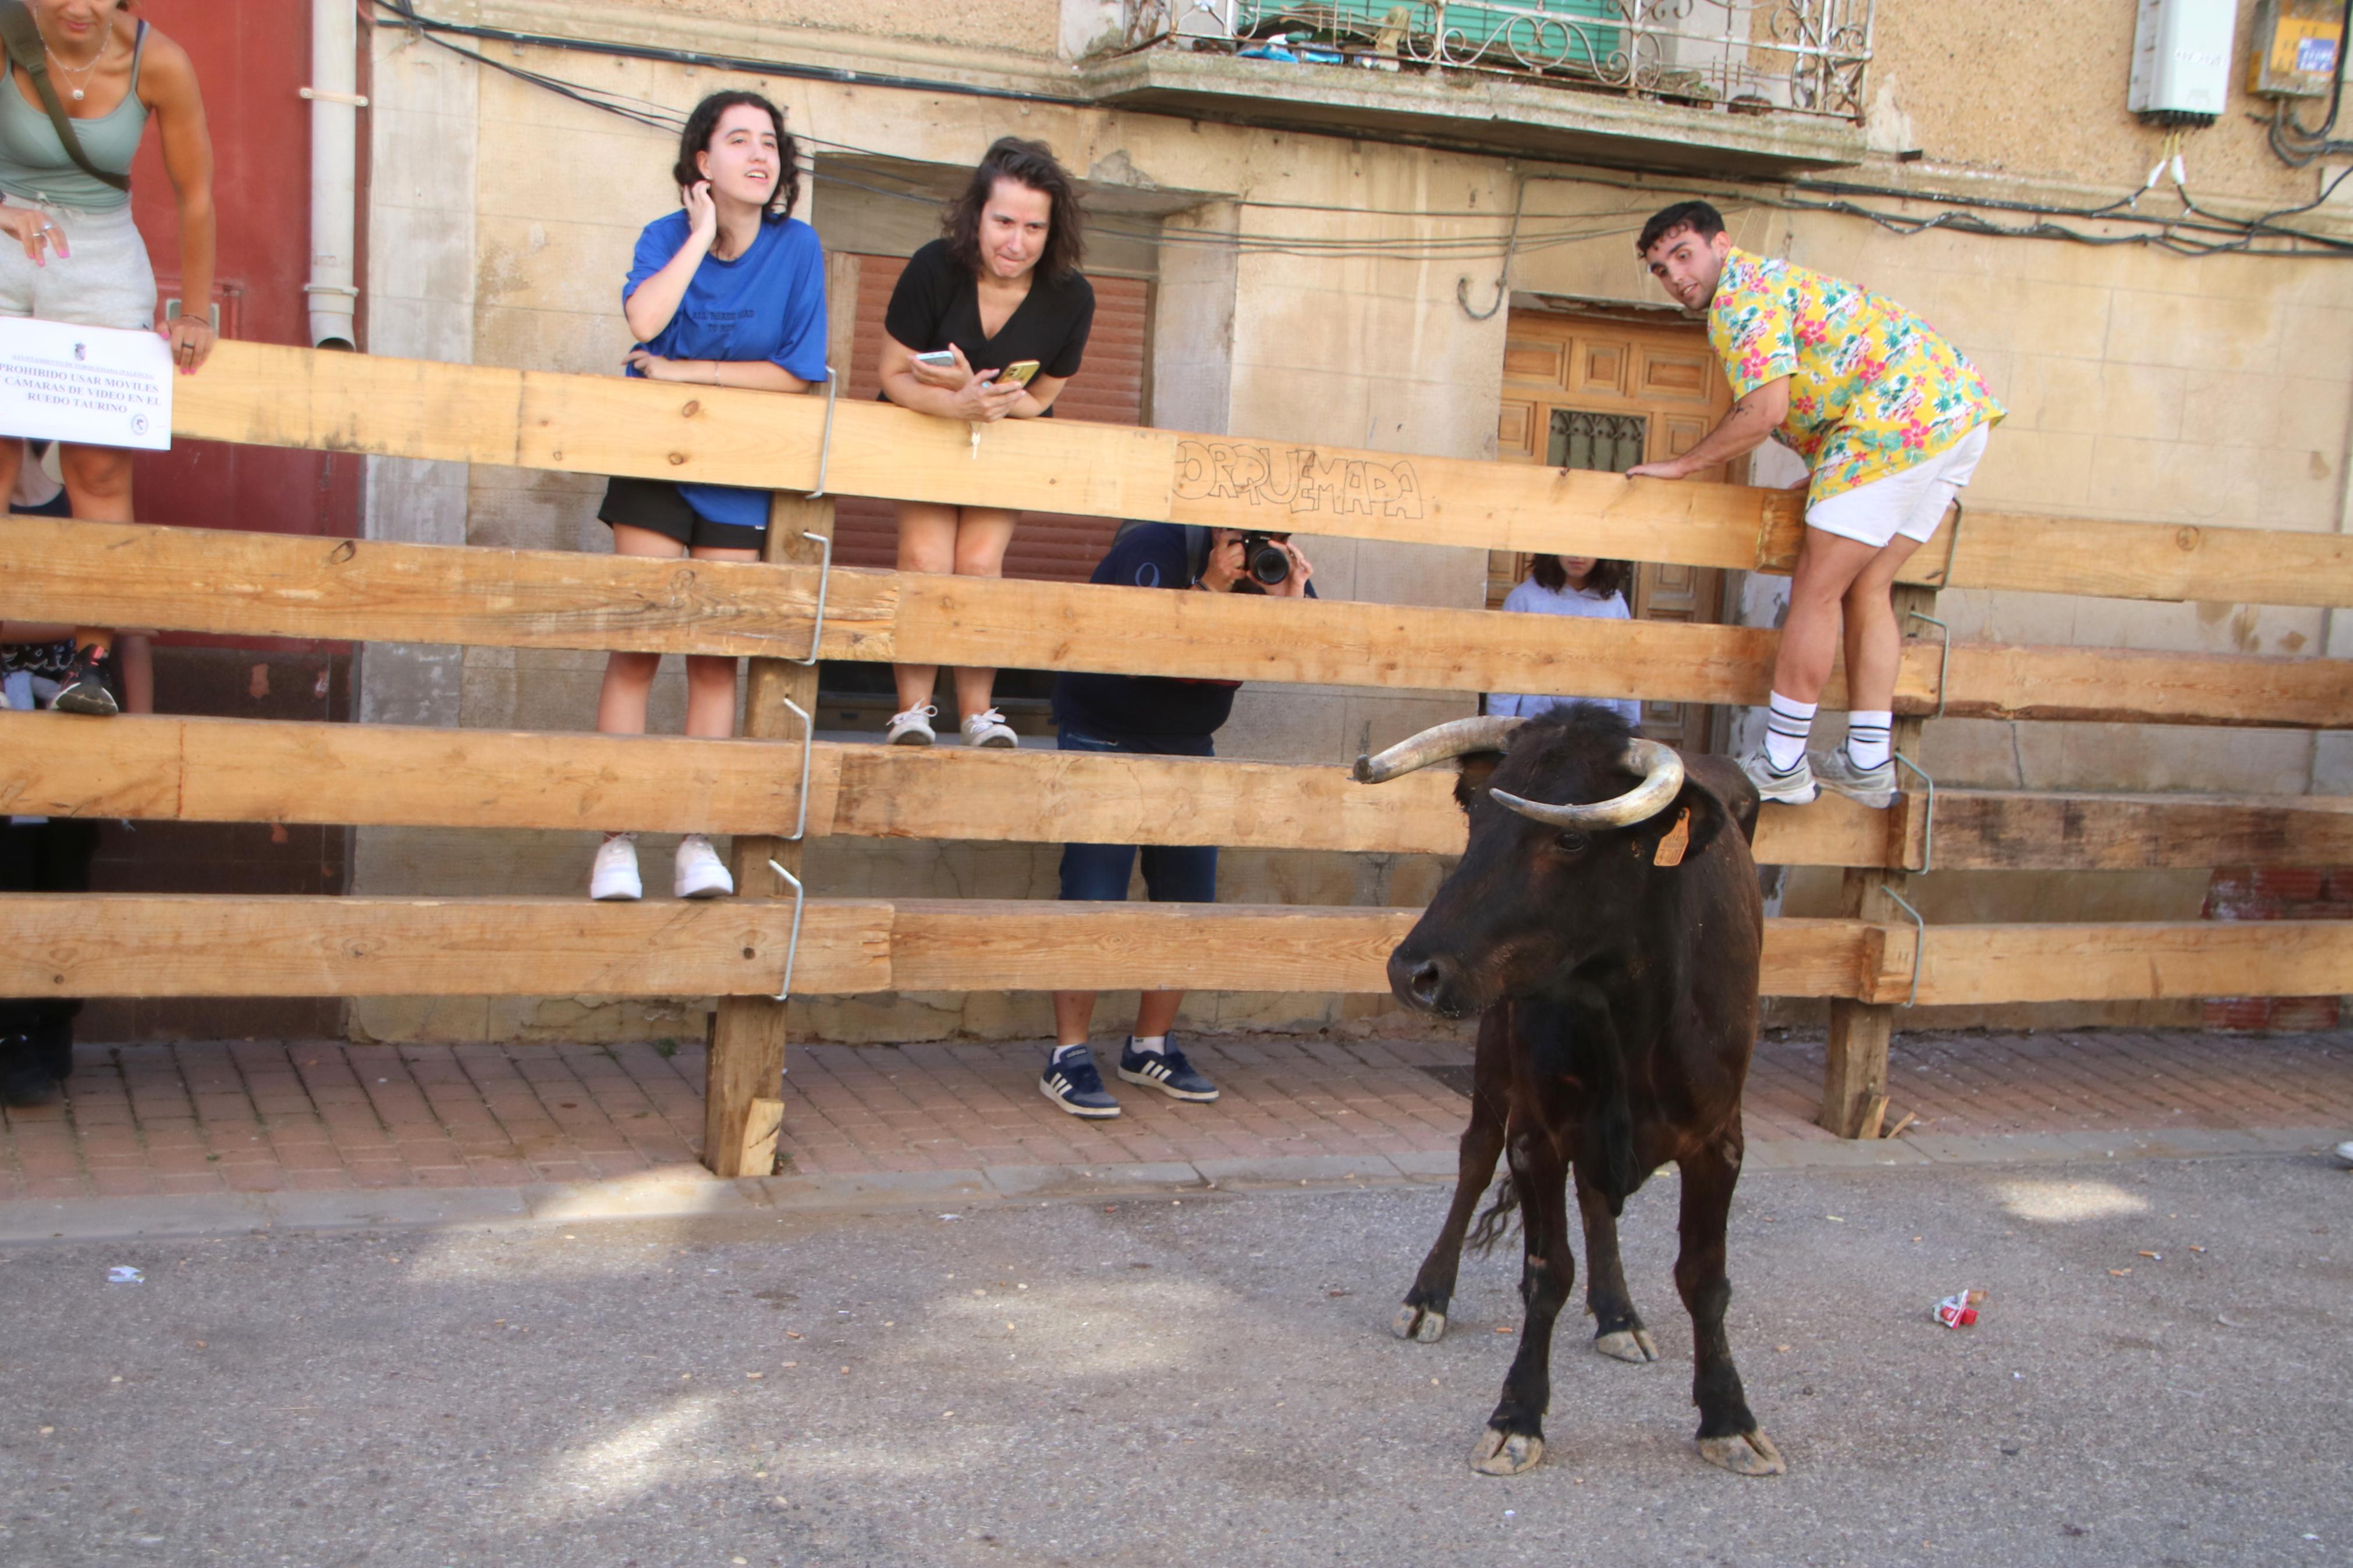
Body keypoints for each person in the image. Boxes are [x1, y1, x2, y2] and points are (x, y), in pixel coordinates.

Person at [1624, 200, 2001, 809]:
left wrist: (1683, 464)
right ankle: (1868, 760)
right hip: (1954, 411)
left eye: (1683, 255)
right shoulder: (1774, 283)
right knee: (1867, 585)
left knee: (1815, 589)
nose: (1675, 277)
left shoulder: (1740, 297)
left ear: (1721, 244)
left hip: (1894, 421)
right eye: (1661, 269)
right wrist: (1825, 478)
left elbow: (1763, 410)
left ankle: (1781, 760)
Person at [587, 90, 828, 902]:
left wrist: (685, 373)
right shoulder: (665, 234)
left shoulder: (797, 247)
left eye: (769, 142)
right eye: (738, 140)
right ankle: (616, 840)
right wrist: (698, 235)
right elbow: (643, 318)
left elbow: (796, 372)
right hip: (653, 461)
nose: (759, 155)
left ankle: (696, 839)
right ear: (702, 160)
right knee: (637, 645)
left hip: (738, 469)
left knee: (714, 657)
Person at [1039, 523, 1315, 1119]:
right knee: (1093, 897)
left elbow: (1306, 657)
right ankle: (1067, 1054)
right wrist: (1208, 589)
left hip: (1189, 744)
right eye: (1243, 526)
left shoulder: (1271, 562)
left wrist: (1291, 606)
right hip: (1103, 733)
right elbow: (1137, 649)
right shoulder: (1154, 549)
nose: (1255, 540)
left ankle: (1150, 1047)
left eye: (1272, 528)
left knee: (1188, 900)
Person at [0, 0, 216, 716]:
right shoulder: (6, 32)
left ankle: (89, 665)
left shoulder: (160, 61)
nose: (78, 6)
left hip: (100, 257)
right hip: (5, 235)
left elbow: (195, 194)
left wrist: (194, 311)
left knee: (97, 466)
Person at [876, 136, 1093, 751]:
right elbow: (891, 375)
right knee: (925, 559)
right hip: (925, 427)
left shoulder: (1071, 296)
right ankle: (911, 712)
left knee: (977, 563)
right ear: (977, 216)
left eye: (1033, 227)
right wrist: (956, 404)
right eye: (1003, 221)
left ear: (1052, 232)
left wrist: (995, 403)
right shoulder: (933, 268)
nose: (1015, 242)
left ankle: (977, 714)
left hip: (1003, 439)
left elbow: (1042, 397)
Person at [1484, 554, 1639, 727]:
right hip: (1537, 725)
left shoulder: (1614, 604)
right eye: (1571, 546)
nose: (1578, 556)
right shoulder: (1524, 598)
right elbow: (1506, 671)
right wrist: (1499, 730)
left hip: (1599, 727)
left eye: (1587, 548)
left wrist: (1631, 728)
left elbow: (1626, 673)